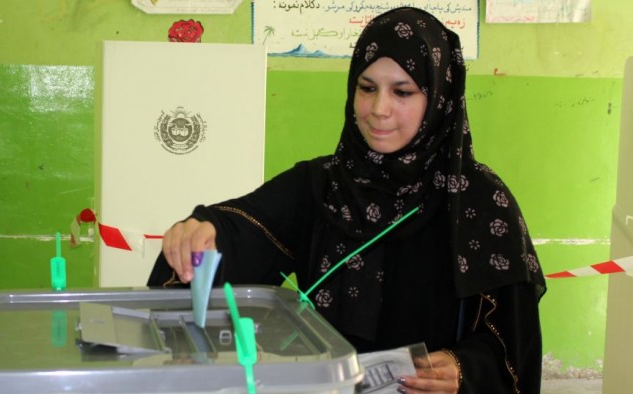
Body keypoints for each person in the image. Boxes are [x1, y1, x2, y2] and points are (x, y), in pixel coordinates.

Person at [147, 6, 546, 394]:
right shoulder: (322, 186)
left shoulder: (479, 202)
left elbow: (512, 341)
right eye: (366, 88)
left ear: (439, 99)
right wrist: (202, 231)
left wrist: (464, 369)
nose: (378, 110)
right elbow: (241, 230)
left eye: (402, 92)